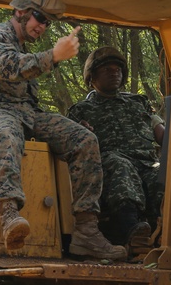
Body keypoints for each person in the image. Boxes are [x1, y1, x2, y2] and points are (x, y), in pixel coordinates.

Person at [0, 0, 126, 260]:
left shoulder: (22, 46)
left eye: (47, 23)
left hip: (24, 113)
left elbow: (29, 100)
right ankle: (10, 216)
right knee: (6, 132)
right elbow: (9, 68)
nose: (42, 27)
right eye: (40, 18)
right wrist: (53, 56)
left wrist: (63, 127)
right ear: (20, 11)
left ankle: (86, 231)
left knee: (83, 139)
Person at [67, 47, 165, 253]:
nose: (114, 72)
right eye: (106, 69)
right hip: (110, 165)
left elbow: (162, 133)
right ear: (91, 76)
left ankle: (163, 233)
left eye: (118, 69)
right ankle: (132, 229)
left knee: (162, 175)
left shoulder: (139, 103)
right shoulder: (80, 111)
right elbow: (71, 146)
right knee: (120, 165)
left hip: (146, 161)